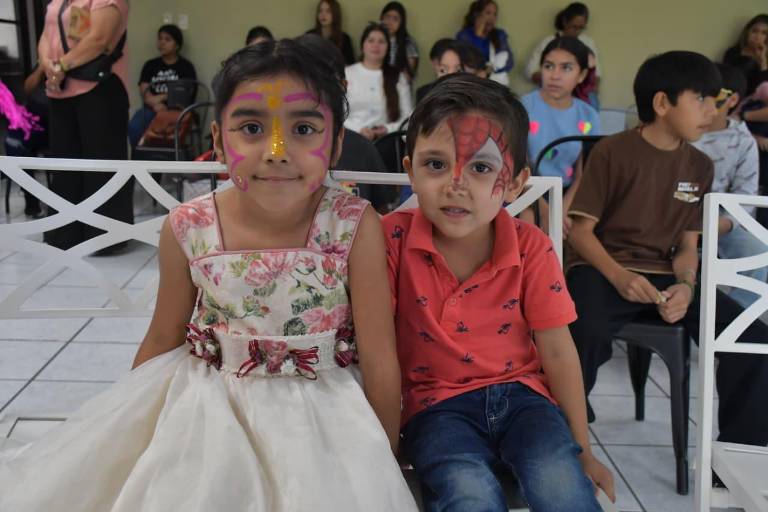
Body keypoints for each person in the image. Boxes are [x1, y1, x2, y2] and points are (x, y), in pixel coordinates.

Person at [0, 39, 418, 511]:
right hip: (210, 407)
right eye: (252, 128)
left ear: (337, 143)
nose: (277, 151)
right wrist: (132, 423)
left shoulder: (354, 224)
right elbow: (162, 337)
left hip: (326, 408)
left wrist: (386, 455)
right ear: (219, 141)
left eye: (304, 128)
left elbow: (381, 358)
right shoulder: (189, 226)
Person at [385, 73, 615, 512]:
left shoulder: (530, 246)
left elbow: (559, 350)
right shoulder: (389, 240)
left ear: (514, 185)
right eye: (436, 164)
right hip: (436, 408)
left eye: (481, 167)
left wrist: (582, 446)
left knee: (562, 483)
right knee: (467, 492)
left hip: (525, 399)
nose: (456, 183)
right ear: (409, 170)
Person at [566, 52, 768, 456]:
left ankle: (734, 460)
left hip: (665, 277)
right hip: (602, 268)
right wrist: (620, 277)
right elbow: (581, 234)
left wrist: (687, 286)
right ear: (662, 104)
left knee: (752, 339)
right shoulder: (612, 152)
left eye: (715, 101)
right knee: (580, 330)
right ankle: (565, 434)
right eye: (702, 100)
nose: (711, 113)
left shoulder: (699, 166)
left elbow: (686, 246)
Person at [37, 0, 133, 253]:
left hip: (99, 90)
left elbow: (100, 39)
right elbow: (47, 34)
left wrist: (62, 66)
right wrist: (47, 64)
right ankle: (65, 234)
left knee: (101, 165)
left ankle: (104, 238)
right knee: (65, 165)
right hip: (61, 90)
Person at [692, 63, 765, 309]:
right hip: (674, 219)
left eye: (713, 97)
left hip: (721, 225)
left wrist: (717, 226)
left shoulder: (743, 141)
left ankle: (727, 323)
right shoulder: (683, 130)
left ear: (732, 100)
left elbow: (745, 198)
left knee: (760, 257)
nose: (705, 105)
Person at [522, 36, 600, 234]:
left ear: (581, 75)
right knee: (530, 229)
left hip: (569, 196)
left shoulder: (588, 115)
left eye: (566, 68)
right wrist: (545, 210)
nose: (555, 75)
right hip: (525, 189)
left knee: (572, 232)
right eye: (548, 66)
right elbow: (516, 165)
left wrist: (560, 211)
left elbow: (583, 174)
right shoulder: (521, 107)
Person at [128, 24, 197, 149]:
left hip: (177, 110)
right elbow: (146, 95)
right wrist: (158, 103)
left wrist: (162, 100)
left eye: (167, 39)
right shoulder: (150, 65)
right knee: (135, 127)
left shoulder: (186, 67)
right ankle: (138, 160)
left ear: (177, 45)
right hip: (151, 110)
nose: (162, 43)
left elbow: (186, 95)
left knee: (168, 132)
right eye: (160, 38)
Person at [525, 2, 602, 107]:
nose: (577, 31)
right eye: (574, 27)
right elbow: (531, 71)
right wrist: (554, 80)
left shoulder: (588, 43)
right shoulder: (548, 42)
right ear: (565, 21)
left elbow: (596, 75)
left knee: (592, 104)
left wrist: (584, 88)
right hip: (550, 90)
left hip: (581, 94)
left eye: (581, 28)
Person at [344, 23, 412, 140]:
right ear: (363, 45)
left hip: (386, 141)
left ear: (388, 47)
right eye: (371, 40)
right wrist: (359, 129)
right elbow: (337, 114)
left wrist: (387, 129)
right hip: (351, 139)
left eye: (381, 41)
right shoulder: (346, 73)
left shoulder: (398, 77)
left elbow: (407, 118)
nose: (376, 45)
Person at [3, 65, 49, 218]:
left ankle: (57, 202)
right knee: (13, 142)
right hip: (35, 124)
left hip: (58, 126)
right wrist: (42, 66)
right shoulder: (43, 62)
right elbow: (27, 89)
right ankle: (32, 201)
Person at [456, 0, 513, 85]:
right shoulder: (464, 36)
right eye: (488, 13)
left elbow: (509, 62)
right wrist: (478, 35)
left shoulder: (499, 35)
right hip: (470, 83)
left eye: (495, 14)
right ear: (477, 15)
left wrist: (488, 71)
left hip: (494, 84)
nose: (492, 18)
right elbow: (467, 61)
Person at [306, 0, 355, 65]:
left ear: (335, 14)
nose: (323, 15)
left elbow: (350, 64)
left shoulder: (345, 38)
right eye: (320, 11)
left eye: (328, 11)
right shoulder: (310, 35)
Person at [380, 2, 419, 82]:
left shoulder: (408, 43)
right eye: (387, 17)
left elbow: (408, 76)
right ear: (381, 18)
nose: (390, 22)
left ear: (401, 23)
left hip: (397, 88)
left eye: (395, 19)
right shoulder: (374, 39)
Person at [415, 39, 463, 104]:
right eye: (444, 70)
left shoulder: (468, 94)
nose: (451, 75)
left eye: (457, 70)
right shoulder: (424, 93)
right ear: (433, 64)